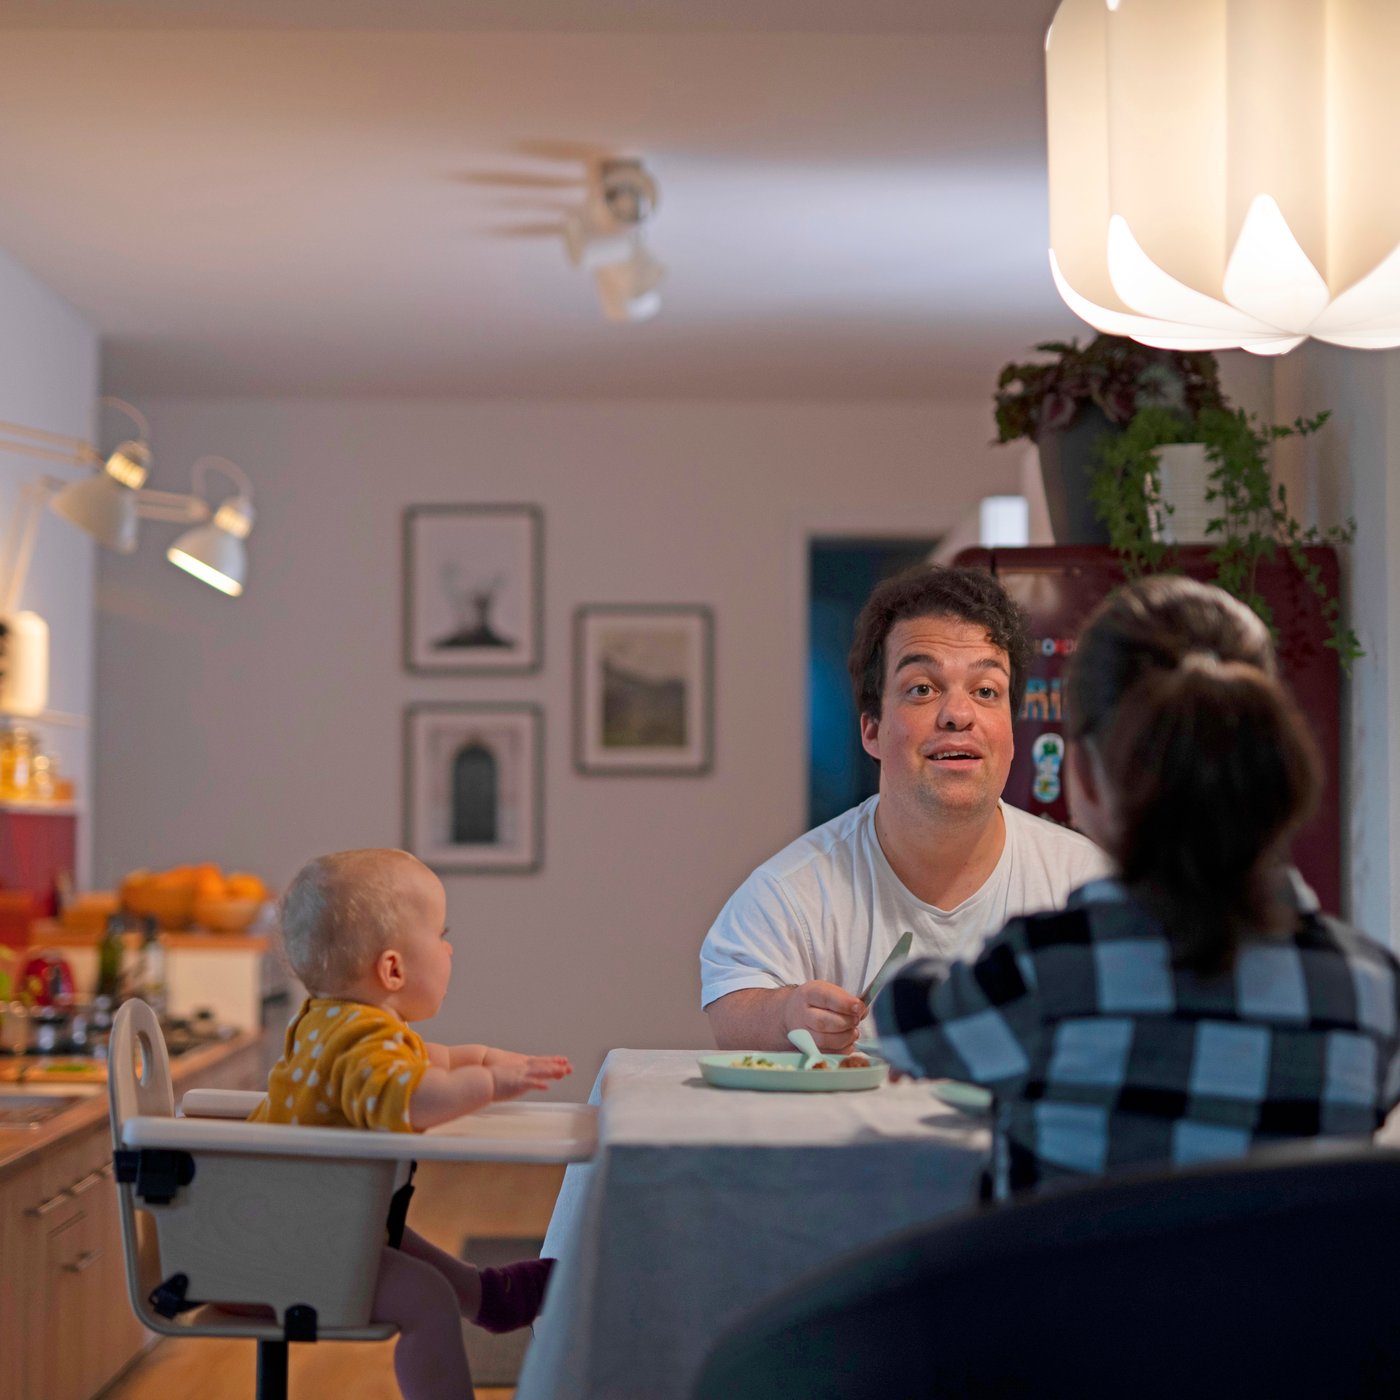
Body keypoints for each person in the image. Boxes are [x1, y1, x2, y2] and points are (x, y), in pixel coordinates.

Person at [877, 576, 1400, 1198]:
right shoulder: (1372, 993)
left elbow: (903, 1019)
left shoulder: (1045, 974)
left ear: (1084, 778)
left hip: (1074, 1268)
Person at [701, 564, 1110, 1052]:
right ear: (872, 730)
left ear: (1010, 731)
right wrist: (787, 1014)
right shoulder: (791, 891)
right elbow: (732, 1007)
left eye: (985, 691)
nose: (958, 715)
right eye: (922, 689)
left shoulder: (1085, 883)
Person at [249, 847, 572, 1400]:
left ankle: (488, 1294)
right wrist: (489, 1084)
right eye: (441, 935)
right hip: (296, 1245)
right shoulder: (361, 1039)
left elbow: (430, 1059)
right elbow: (410, 1097)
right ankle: (475, 1308)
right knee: (425, 1299)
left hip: (289, 1222)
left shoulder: (332, 1021)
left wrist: (486, 1058)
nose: (450, 949)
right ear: (393, 969)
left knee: (393, 1234)